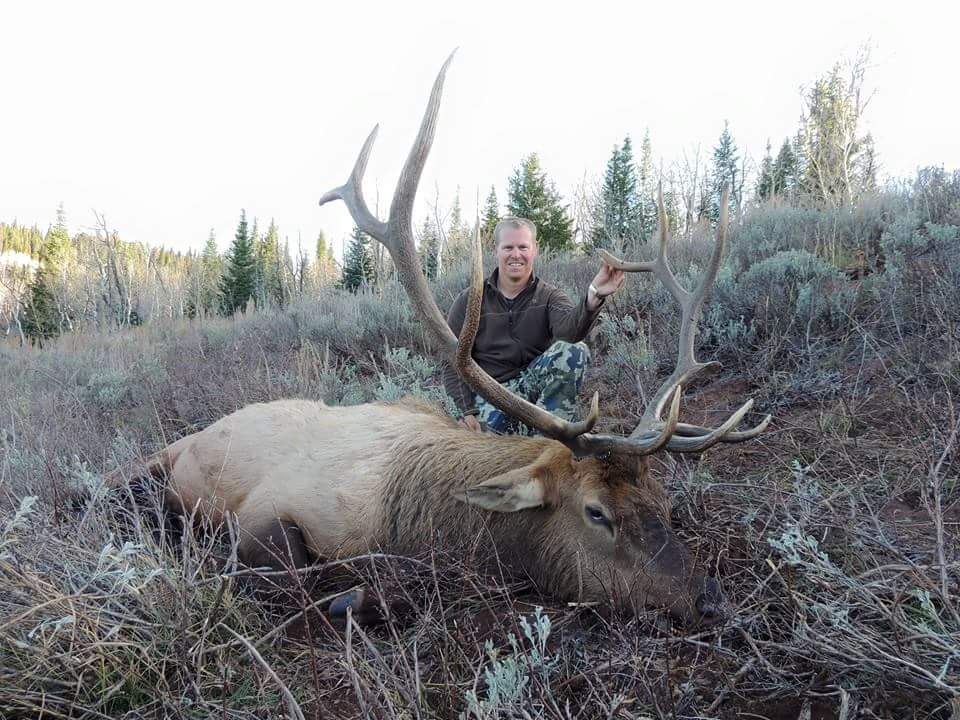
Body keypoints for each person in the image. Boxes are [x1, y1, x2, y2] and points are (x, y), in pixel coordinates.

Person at [443, 217, 625, 434]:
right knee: (486, 448)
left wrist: (593, 297)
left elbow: (570, 332)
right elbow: (451, 361)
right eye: (508, 247)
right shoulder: (469, 300)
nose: (516, 255)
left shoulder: (548, 296)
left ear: (535, 249)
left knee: (574, 351)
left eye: (523, 247)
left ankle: (548, 443)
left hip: (531, 389)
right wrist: (466, 411)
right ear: (496, 250)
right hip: (489, 394)